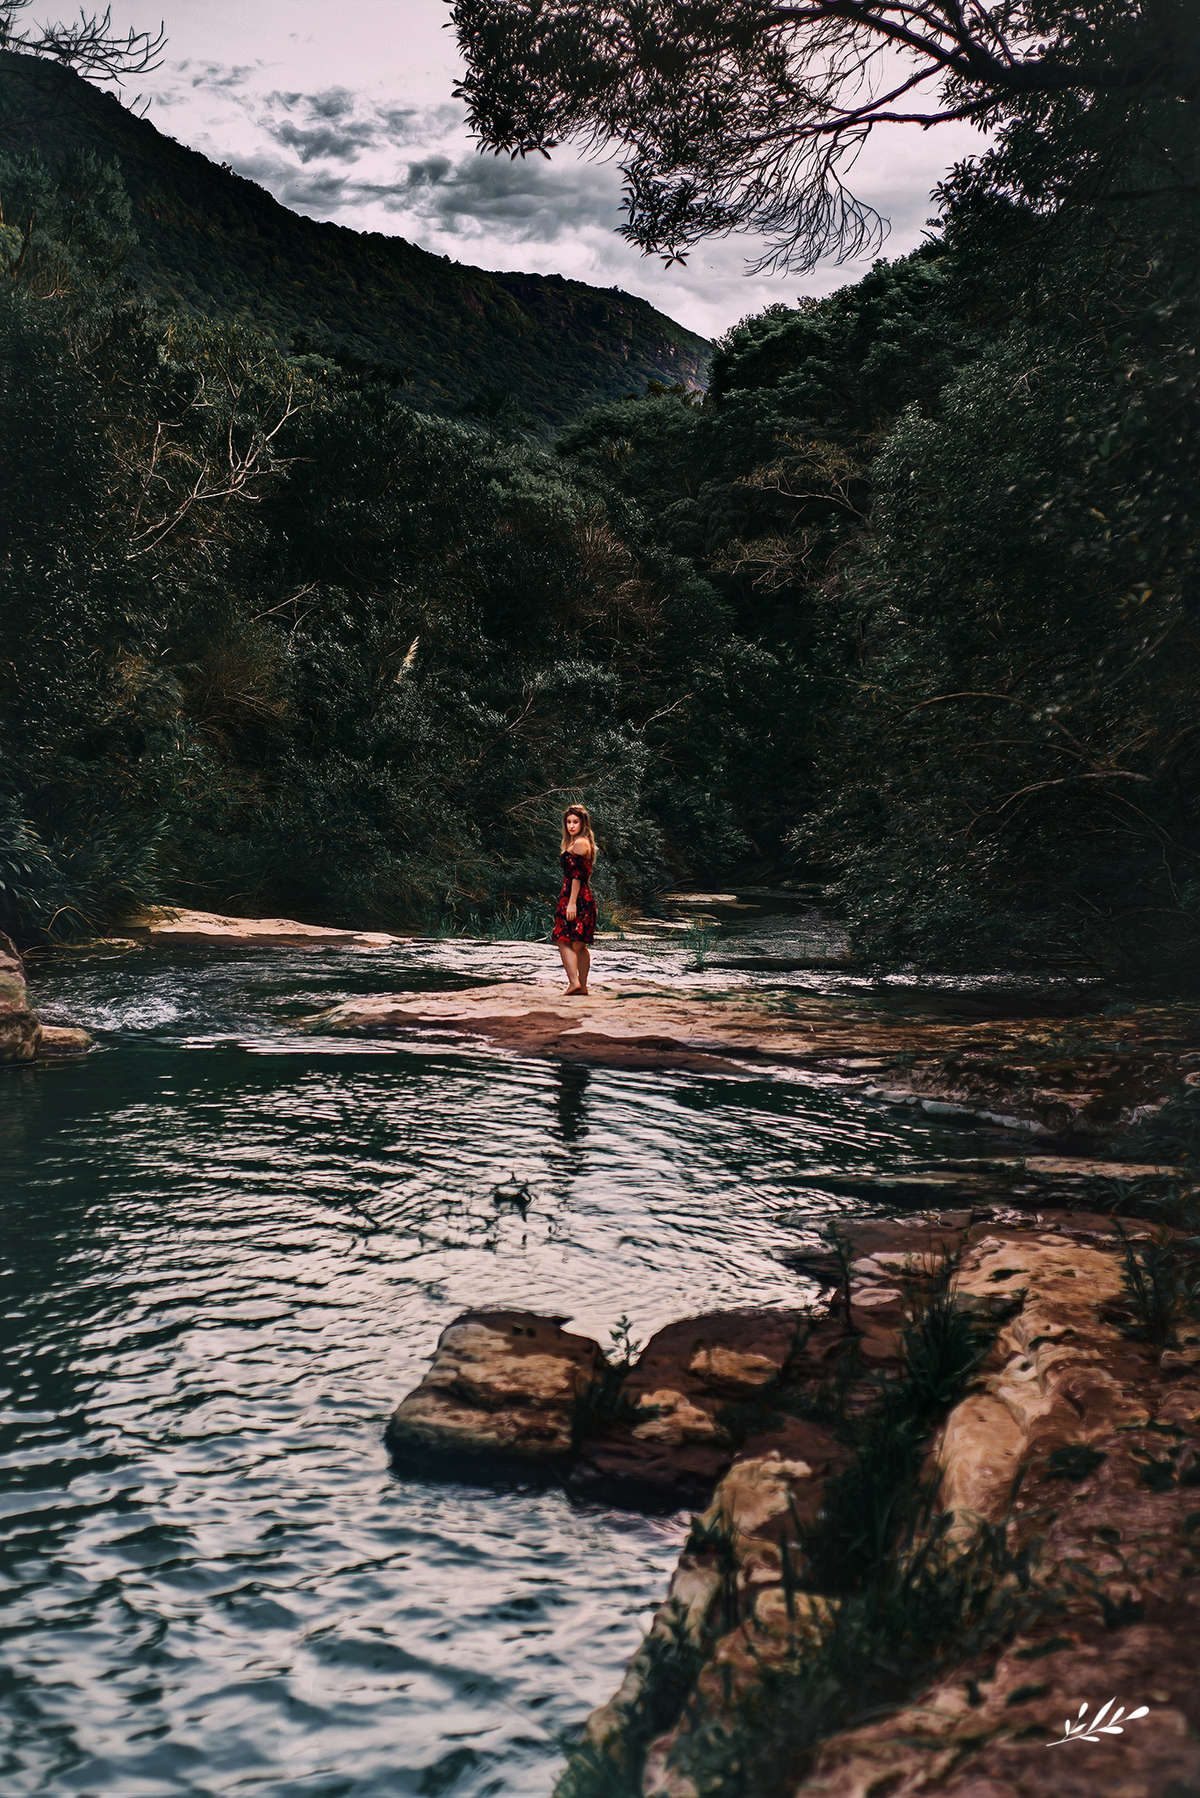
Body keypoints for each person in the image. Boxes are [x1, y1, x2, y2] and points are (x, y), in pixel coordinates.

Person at [552, 805, 598, 995]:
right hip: (580, 897)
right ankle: (583, 987)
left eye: (575, 822)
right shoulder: (579, 842)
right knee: (579, 944)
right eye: (569, 822)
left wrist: (571, 903)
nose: (571, 825)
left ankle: (574, 982)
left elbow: (577, 876)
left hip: (575, 897)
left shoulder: (580, 843)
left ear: (583, 823)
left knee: (562, 940)